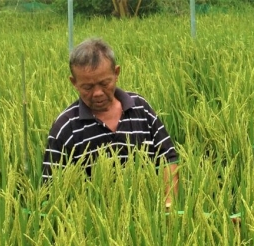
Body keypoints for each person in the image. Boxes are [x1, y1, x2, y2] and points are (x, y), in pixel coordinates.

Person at [42, 38, 179, 208]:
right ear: (74, 82)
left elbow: (168, 158)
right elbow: (51, 189)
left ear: (116, 73)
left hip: (150, 219)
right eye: (88, 87)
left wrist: (168, 203)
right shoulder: (65, 127)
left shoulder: (140, 109)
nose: (97, 93)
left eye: (104, 83)